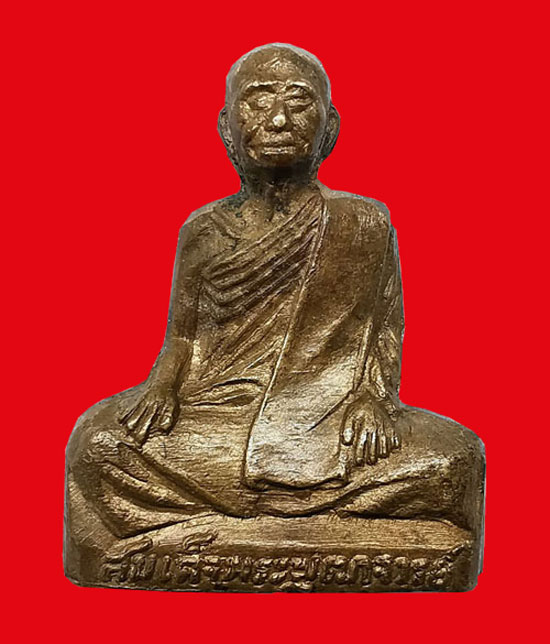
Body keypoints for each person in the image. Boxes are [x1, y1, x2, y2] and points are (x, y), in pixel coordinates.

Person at [65, 44, 484, 543]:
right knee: (96, 444)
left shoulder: (362, 222)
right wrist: (160, 389)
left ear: (330, 128)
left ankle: (232, 520)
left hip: (328, 416)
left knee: (456, 458)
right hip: (217, 414)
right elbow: (183, 340)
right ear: (227, 128)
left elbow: (384, 333)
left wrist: (374, 399)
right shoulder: (204, 230)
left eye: (300, 101)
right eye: (259, 99)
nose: (280, 119)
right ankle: (297, 520)